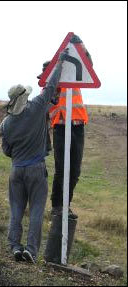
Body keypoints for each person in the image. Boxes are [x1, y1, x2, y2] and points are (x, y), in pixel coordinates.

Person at [0, 49, 68, 264]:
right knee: (37, 211)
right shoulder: (37, 108)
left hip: (16, 170)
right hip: (36, 170)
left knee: (16, 210)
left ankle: (14, 247)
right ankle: (30, 250)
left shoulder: (6, 123)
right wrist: (61, 61)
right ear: (25, 97)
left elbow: (6, 151)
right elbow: (50, 86)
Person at [39, 35, 91, 219]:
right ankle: (57, 207)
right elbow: (47, 104)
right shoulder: (50, 85)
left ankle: (65, 205)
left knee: (75, 171)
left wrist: (80, 45)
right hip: (61, 127)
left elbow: (88, 64)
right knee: (62, 170)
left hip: (78, 126)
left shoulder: (75, 77)